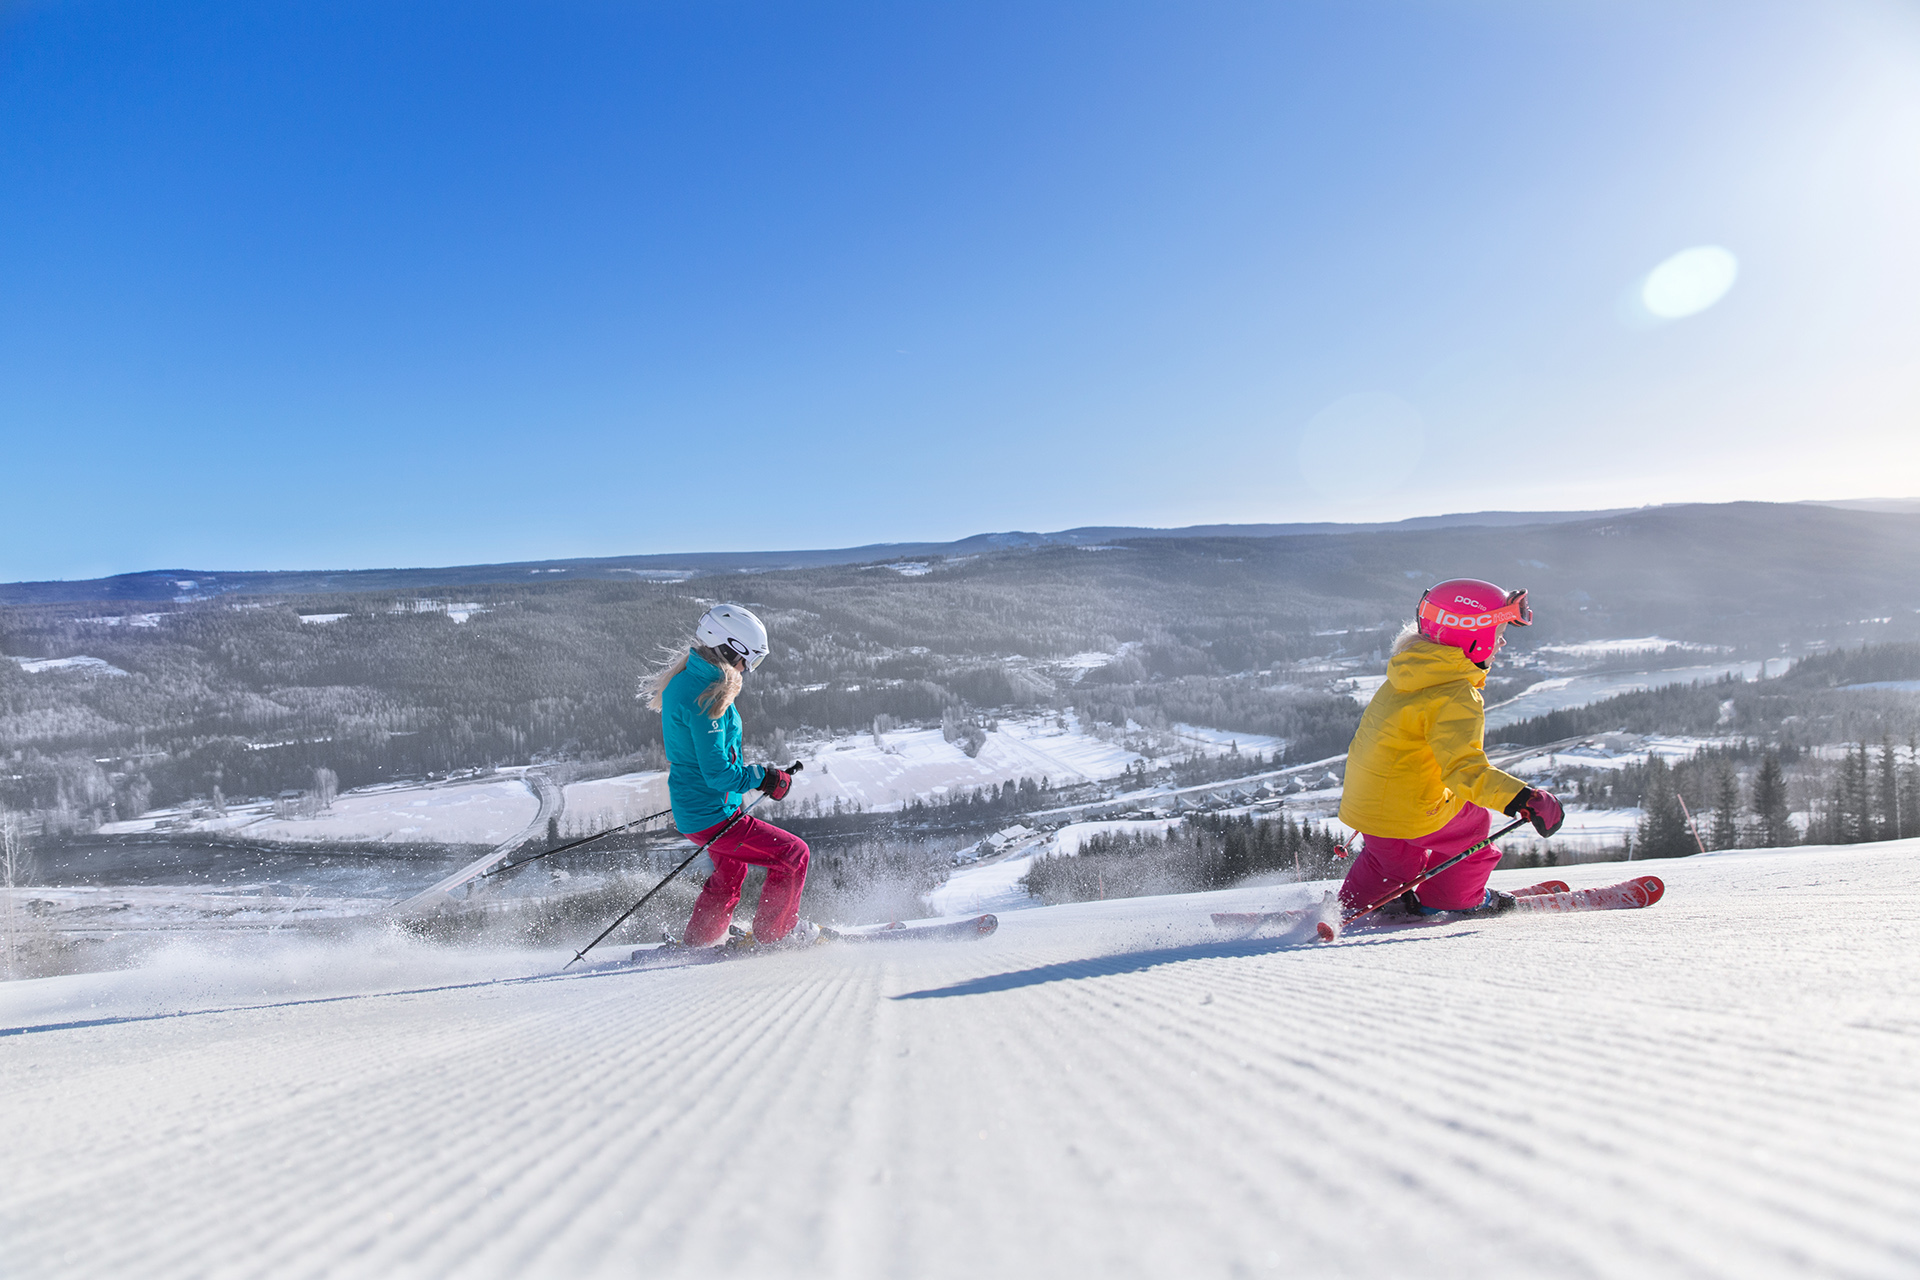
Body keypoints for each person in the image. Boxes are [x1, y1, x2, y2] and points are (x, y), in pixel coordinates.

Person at [1336, 579, 1565, 918]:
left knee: (1392, 859)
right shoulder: (1455, 694)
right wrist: (1523, 798)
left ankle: (1355, 906)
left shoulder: (1406, 676)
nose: (1501, 642)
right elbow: (1464, 771)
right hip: (1413, 808)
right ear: (1472, 637)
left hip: (1367, 804)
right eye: (1498, 632)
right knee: (1472, 827)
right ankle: (1451, 900)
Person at [644, 603, 808, 946]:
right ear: (730, 649)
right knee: (793, 855)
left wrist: (757, 778)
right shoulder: (706, 698)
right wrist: (764, 778)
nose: (748, 669)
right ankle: (776, 938)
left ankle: (700, 942)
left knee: (732, 870)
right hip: (712, 813)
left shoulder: (687, 678)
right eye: (749, 659)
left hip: (698, 809)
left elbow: (701, 762)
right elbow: (718, 774)